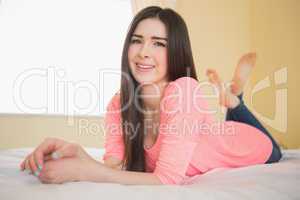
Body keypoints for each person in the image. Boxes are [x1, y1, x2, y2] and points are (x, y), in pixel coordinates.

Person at [20, 6, 282, 185]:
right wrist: (77, 154)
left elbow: (167, 181)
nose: (144, 51)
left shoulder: (184, 90)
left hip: (253, 145)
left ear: (176, 52)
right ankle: (233, 100)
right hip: (220, 136)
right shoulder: (118, 103)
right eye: (137, 40)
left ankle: (236, 101)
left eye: (159, 43)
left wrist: (86, 172)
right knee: (221, 127)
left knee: (274, 148)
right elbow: (113, 165)